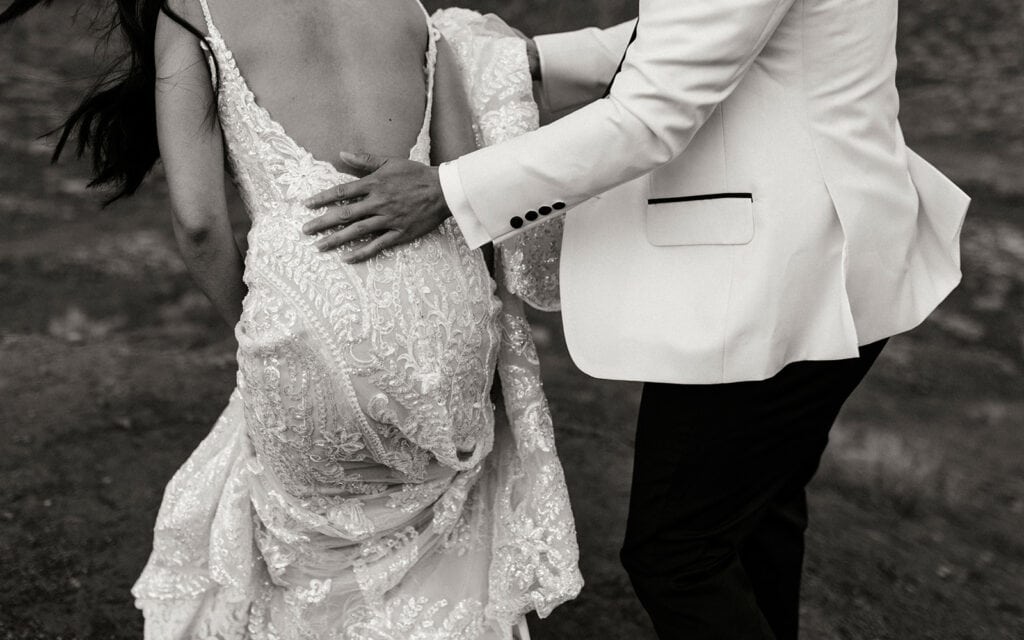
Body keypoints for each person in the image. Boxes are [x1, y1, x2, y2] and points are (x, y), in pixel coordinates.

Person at [300, 1, 971, 638]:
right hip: (836, 245)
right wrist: (532, 61)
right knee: (754, 518)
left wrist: (449, 190)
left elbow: (651, 116)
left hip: (788, 274)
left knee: (679, 556)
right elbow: (716, 30)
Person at [0, 0, 581, 637]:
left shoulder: (194, 14)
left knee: (314, 567)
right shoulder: (412, 10)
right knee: (437, 562)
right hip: (446, 320)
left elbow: (199, 225)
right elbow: (468, 188)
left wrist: (251, 330)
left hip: (307, 323)